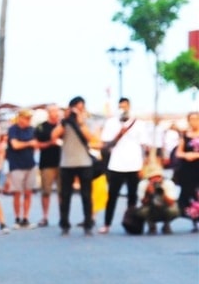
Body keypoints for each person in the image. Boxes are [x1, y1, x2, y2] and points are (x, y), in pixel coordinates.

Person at [100, 97, 147, 234]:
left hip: (134, 164)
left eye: (125, 106)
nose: (123, 109)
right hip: (116, 164)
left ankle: (130, 222)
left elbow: (144, 145)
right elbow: (106, 141)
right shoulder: (111, 123)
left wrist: (143, 165)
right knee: (112, 195)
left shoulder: (138, 123)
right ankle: (107, 223)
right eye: (121, 107)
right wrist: (118, 133)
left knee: (132, 196)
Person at [57, 97, 99, 235]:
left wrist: (81, 122)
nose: (78, 111)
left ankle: (88, 223)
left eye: (81, 108)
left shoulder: (86, 121)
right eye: (76, 108)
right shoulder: (65, 122)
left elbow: (90, 137)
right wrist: (65, 119)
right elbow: (54, 136)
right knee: (65, 195)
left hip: (84, 163)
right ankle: (64, 224)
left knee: (86, 195)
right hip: (67, 163)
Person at [3, 109, 40, 227]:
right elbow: (15, 145)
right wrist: (29, 143)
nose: (28, 120)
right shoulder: (13, 129)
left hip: (30, 164)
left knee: (28, 192)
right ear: (20, 118)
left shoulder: (32, 130)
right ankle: (17, 217)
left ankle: (25, 217)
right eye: (26, 118)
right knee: (17, 192)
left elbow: (36, 145)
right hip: (16, 165)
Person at [33, 104, 63, 228]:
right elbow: (36, 144)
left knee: (63, 192)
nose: (55, 113)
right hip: (47, 163)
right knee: (46, 191)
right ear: (48, 113)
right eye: (52, 111)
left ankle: (63, 216)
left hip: (62, 163)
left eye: (56, 111)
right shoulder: (41, 127)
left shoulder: (63, 126)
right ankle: (45, 216)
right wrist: (51, 143)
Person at [170, 111, 199, 230]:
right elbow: (178, 152)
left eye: (196, 119)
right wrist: (187, 155)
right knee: (189, 195)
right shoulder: (185, 136)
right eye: (191, 119)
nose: (194, 122)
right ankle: (194, 220)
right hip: (188, 170)